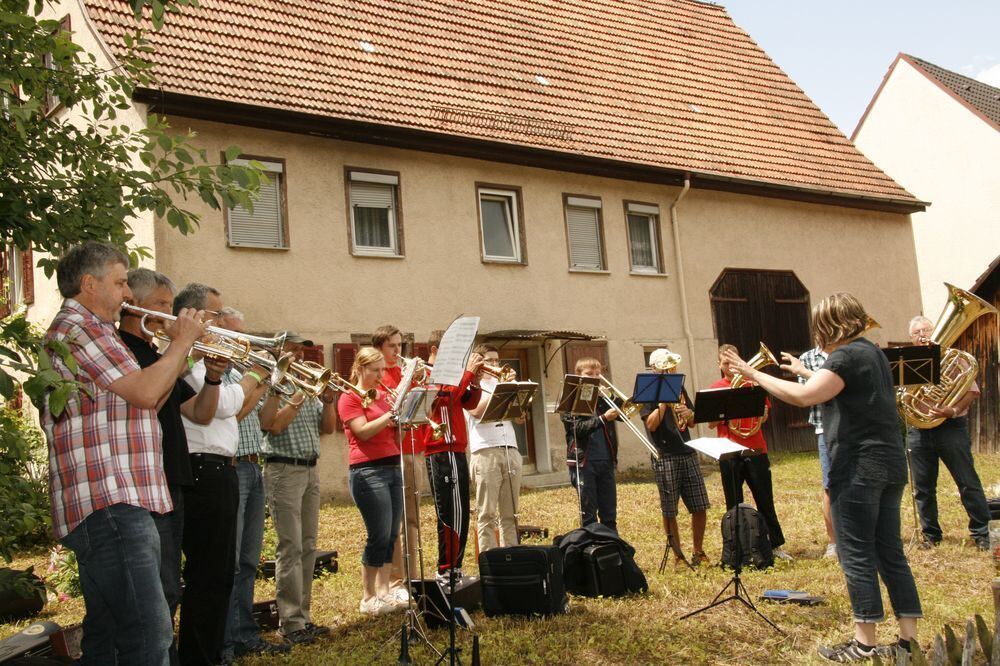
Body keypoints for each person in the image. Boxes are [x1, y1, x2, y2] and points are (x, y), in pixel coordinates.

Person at [723, 293, 921, 662]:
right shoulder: (871, 352)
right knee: (890, 552)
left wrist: (752, 373)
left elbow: (803, 398)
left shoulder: (844, 356)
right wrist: (803, 370)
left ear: (830, 325)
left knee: (856, 553)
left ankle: (864, 644)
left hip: (858, 467)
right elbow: (840, 387)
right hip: (889, 463)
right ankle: (908, 640)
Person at [42, 242, 206, 665]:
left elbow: (151, 400)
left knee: (109, 633)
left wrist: (176, 349)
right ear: (89, 284)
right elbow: (147, 390)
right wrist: (182, 343)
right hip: (111, 499)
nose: (128, 294)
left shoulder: (92, 329)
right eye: (120, 283)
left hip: (114, 500)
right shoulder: (83, 328)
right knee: (148, 636)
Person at [118, 268, 223, 666]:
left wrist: (212, 379)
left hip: (172, 479)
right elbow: (147, 400)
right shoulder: (125, 350)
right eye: (162, 304)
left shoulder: (159, 354)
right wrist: (183, 349)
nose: (170, 311)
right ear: (135, 304)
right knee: (157, 593)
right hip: (145, 482)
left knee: (169, 588)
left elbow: (198, 412)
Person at [175, 283, 262, 666]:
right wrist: (254, 377)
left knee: (220, 574)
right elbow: (225, 406)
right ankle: (202, 656)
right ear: (193, 317)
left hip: (219, 469)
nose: (222, 321)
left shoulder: (207, 363)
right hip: (203, 471)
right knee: (208, 577)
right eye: (215, 315)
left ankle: (209, 653)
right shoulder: (190, 364)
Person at [218, 308, 289, 660]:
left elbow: (263, 421)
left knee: (248, 561)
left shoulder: (242, 374)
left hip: (252, 464)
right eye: (237, 335)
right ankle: (225, 640)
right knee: (228, 561)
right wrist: (258, 377)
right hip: (230, 469)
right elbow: (234, 412)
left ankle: (245, 633)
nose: (245, 342)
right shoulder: (223, 375)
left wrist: (272, 384)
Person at [259, 334, 337, 644]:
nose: (299, 355)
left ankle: (303, 617)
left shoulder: (308, 387)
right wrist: (294, 400)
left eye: (301, 349)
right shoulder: (271, 386)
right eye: (292, 349)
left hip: (309, 469)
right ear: (279, 352)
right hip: (283, 469)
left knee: (308, 545)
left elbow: (328, 428)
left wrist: (328, 400)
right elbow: (272, 425)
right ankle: (289, 623)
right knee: (289, 547)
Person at [906, 315, 991, 550]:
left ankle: (982, 533)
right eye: (917, 332)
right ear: (911, 338)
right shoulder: (907, 362)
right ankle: (931, 535)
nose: (922, 335)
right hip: (918, 429)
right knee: (922, 487)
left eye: (926, 330)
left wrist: (951, 410)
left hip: (950, 427)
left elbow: (972, 391)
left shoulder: (953, 359)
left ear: (934, 332)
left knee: (967, 481)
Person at [337, 346, 403, 615]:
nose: (380, 375)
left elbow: (392, 428)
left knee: (391, 534)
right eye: (375, 370)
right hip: (367, 470)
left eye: (382, 370)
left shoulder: (386, 395)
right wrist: (390, 416)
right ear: (361, 369)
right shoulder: (349, 397)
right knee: (378, 534)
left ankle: (384, 591)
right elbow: (362, 432)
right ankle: (367, 597)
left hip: (392, 466)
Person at [708, 344, 789, 561]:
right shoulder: (716, 387)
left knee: (765, 499)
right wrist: (727, 407)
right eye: (725, 363)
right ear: (719, 365)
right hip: (728, 451)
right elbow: (710, 423)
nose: (730, 367)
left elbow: (763, 417)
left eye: (733, 362)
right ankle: (738, 548)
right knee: (733, 503)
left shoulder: (753, 384)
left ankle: (774, 545)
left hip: (756, 449)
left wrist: (760, 413)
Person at [422, 330, 484, 587]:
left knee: (460, 512)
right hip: (441, 448)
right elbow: (444, 398)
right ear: (436, 350)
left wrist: (475, 381)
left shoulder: (452, 376)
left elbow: (468, 403)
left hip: (456, 448)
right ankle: (446, 571)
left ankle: (454, 569)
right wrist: (467, 374)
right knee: (450, 512)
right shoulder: (428, 373)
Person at [641, 348, 708, 567]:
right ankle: (678, 555)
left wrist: (688, 414)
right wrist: (662, 402)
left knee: (699, 505)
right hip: (665, 455)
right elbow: (650, 424)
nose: (670, 369)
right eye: (665, 366)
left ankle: (698, 552)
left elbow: (691, 423)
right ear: (654, 368)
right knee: (670, 509)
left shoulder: (679, 387)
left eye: (672, 366)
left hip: (687, 451)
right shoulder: (649, 390)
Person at [373, 324, 419, 604]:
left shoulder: (404, 372)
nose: (397, 351)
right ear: (379, 348)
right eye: (392, 346)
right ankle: (395, 580)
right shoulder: (378, 376)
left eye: (400, 346)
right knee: (395, 523)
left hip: (412, 445)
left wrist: (417, 379)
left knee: (412, 518)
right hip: (390, 451)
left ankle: (412, 576)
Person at [782, 345, 837, 559]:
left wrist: (808, 375)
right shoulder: (807, 358)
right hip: (825, 427)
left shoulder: (847, 352)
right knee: (829, 486)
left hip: (851, 427)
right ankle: (833, 542)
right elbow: (810, 395)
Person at [467, 344, 523, 553]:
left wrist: (516, 392)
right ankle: (489, 561)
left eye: (497, 361)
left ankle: (512, 557)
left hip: (510, 448)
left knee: (510, 513)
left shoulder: (504, 382)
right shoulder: (472, 385)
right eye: (490, 360)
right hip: (485, 450)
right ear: (480, 363)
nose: (495, 365)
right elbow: (475, 411)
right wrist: (501, 389)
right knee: (487, 512)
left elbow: (519, 418)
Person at [561, 357, 620, 533]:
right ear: (578, 376)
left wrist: (611, 398)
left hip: (606, 460)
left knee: (609, 514)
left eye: (597, 374)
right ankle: (592, 552)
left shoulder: (602, 399)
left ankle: (613, 552)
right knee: (589, 516)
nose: (594, 378)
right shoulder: (570, 400)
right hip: (583, 462)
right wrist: (603, 419)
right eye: (589, 374)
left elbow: (624, 414)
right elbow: (577, 429)